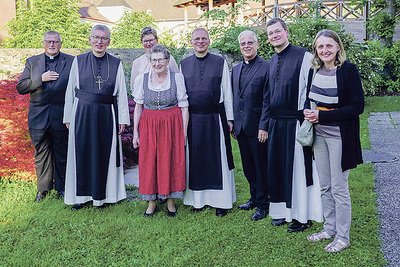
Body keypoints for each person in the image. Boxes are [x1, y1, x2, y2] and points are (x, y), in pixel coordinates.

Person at [304, 29, 364, 252]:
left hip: (340, 137)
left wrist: (323, 116)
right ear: (316, 50)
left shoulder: (348, 70)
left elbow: (357, 107)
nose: (324, 50)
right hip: (319, 136)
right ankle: (329, 229)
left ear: (338, 47)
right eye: (320, 47)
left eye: (329, 46)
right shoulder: (315, 70)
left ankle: (343, 236)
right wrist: (307, 112)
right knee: (325, 186)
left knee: (339, 187)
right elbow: (310, 100)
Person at [63, 25, 130, 210]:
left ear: (109, 41)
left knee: (104, 154)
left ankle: (103, 197)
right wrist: (68, 117)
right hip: (82, 114)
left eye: (103, 38)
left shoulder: (116, 63)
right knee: (81, 152)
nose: (99, 41)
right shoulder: (79, 61)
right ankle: (81, 197)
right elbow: (71, 91)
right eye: (96, 37)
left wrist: (122, 119)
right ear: (90, 39)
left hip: (107, 114)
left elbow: (121, 94)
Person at [265, 18, 323, 231]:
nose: (274, 36)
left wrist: (309, 119)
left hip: (297, 121)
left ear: (286, 32)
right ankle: (281, 211)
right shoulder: (272, 60)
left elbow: (313, 90)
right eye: (271, 33)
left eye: (278, 31)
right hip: (276, 123)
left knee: (298, 170)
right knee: (278, 168)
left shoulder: (304, 56)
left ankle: (301, 216)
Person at [181, 28, 236, 217]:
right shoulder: (183, 64)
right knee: (195, 159)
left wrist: (230, 118)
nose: (200, 41)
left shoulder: (220, 62)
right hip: (193, 118)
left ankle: (221, 201)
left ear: (209, 41)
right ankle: (197, 201)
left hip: (215, 117)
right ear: (191, 41)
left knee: (217, 159)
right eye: (197, 38)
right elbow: (182, 96)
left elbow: (227, 92)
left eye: (204, 38)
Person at [17, 31, 74, 202]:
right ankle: (43, 189)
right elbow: (21, 87)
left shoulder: (71, 61)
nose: (52, 45)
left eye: (55, 42)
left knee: (61, 152)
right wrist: (40, 78)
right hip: (38, 116)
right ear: (43, 43)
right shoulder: (32, 62)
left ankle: (62, 188)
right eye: (49, 41)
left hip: (62, 115)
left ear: (60, 44)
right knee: (41, 152)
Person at [132, 45, 189, 217]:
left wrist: (184, 134)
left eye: (161, 60)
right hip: (148, 124)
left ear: (167, 61)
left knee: (170, 160)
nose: (157, 63)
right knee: (149, 162)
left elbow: (184, 107)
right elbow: (138, 107)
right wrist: (135, 132)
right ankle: (151, 202)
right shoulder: (141, 79)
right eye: (154, 60)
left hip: (171, 123)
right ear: (149, 61)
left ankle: (170, 201)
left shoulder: (176, 78)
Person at [231, 30, 269, 220]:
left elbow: (268, 99)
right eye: (243, 43)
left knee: (261, 167)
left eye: (249, 43)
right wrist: (233, 122)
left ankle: (263, 204)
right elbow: (234, 98)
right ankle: (253, 197)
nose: (246, 46)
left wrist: (264, 126)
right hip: (241, 127)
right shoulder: (235, 68)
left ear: (256, 44)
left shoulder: (266, 67)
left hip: (258, 127)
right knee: (247, 167)